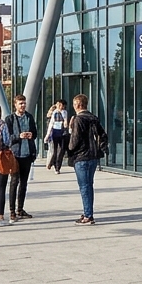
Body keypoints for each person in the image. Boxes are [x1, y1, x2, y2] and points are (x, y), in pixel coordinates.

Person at [67, 93, 104, 225]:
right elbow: (102, 135)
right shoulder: (93, 118)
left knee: (84, 186)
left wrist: (70, 133)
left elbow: (74, 141)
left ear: (77, 105)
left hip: (82, 156)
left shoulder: (78, 119)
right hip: (93, 156)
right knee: (88, 185)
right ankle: (88, 211)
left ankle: (88, 215)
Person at [4, 94, 40, 221]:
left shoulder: (29, 117)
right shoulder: (9, 119)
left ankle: (20, 208)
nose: (23, 106)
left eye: (24, 103)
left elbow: (35, 133)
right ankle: (12, 210)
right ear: (15, 105)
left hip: (27, 154)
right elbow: (7, 138)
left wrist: (31, 135)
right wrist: (19, 136)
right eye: (20, 103)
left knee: (24, 183)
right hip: (15, 156)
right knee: (14, 182)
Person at [46, 100, 68, 174]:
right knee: (54, 150)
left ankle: (57, 166)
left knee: (61, 151)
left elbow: (65, 120)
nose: (60, 106)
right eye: (59, 105)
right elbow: (50, 124)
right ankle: (53, 163)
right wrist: (47, 135)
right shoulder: (54, 112)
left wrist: (65, 124)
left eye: (61, 105)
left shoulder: (64, 112)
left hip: (62, 133)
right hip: (54, 133)